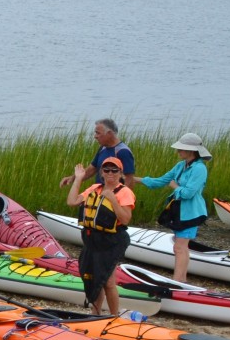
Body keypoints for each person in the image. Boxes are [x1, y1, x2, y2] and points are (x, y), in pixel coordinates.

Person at [134, 133, 211, 281]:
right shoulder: (181, 166)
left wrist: (175, 186)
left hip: (191, 212)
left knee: (179, 247)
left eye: (181, 149)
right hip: (179, 211)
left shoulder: (200, 168)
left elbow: (188, 193)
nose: (178, 151)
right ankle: (181, 280)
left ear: (192, 150)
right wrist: (134, 179)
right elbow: (160, 181)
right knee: (181, 247)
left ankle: (177, 282)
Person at [66, 156, 134, 315]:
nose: (110, 173)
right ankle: (95, 314)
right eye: (106, 170)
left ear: (120, 173)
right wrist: (78, 179)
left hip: (112, 241)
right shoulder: (95, 188)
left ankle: (114, 315)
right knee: (93, 278)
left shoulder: (125, 192)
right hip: (92, 240)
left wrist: (113, 200)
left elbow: (125, 219)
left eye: (114, 170)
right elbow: (72, 201)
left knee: (108, 281)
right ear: (101, 173)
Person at [59, 118, 136, 189]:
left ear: (109, 133)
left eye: (98, 133)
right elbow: (92, 169)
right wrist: (72, 178)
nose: (95, 136)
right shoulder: (103, 148)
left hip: (113, 198)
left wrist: (119, 199)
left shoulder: (123, 151)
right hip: (99, 195)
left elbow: (129, 179)